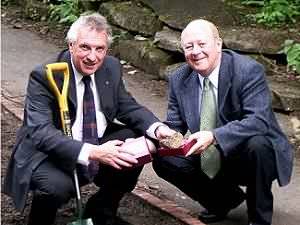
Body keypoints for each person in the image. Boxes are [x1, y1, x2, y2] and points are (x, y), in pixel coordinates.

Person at [3, 13, 174, 225]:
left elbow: (127, 106)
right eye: (85, 47)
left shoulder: (110, 67)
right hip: (49, 153)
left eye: (99, 49)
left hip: (95, 140)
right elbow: (41, 133)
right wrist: (93, 152)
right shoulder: (46, 75)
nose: (93, 57)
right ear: (71, 45)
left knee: (139, 142)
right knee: (53, 189)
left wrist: (158, 129)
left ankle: (100, 211)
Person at [152, 19, 294, 225]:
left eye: (202, 44)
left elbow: (259, 120)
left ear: (218, 44)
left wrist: (214, 136)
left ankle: (259, 217)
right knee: (165, 158)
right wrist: (157, 135)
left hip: (249, 154)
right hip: (209, 155)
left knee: (259, 144)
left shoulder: (247, 70)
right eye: (189, 47)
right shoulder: (179, 78)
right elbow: (174, 125)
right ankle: (222, 201)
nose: (195, 51)